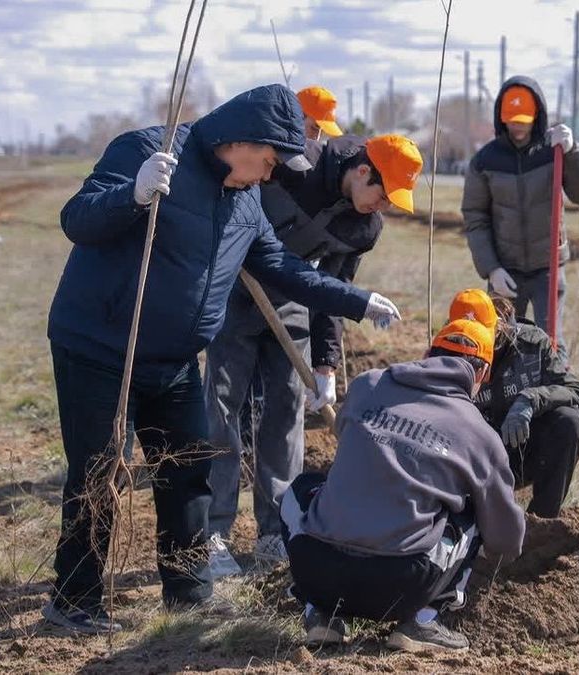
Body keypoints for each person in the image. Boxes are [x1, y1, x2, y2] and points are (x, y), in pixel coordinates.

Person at [43, 84, 401, 634]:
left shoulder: (245, 198)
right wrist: (133, 196)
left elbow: (284, 267)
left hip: (174, 358)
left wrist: (356, 300)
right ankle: (75, 602)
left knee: (189, 472)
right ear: (242, 140)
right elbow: (77, 220)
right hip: (103, 346)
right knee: (100, 474)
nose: (268, 174)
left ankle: (188, 593)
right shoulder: (147, 151)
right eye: (266, 161)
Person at [205, 133, 423, 577]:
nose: (380, 207)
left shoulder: (364, 229)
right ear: (362, 171)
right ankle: (212, 534)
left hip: (291, 307)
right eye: (381, 195)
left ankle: (274, 531)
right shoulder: (294, 164)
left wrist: (326, 363)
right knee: (222, 409)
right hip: (236, 290)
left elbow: (331, 292)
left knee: (286, 415)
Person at [280, 318, 525, 653]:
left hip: (317, 570)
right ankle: (423, 622)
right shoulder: (479, 435)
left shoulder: (367, 385)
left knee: (301, 488)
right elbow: (505, 539)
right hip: (398, 586)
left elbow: (346, 440)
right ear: (481, 374)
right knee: (474, 512)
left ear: (427, 353)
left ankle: (320, 614)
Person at [461, 76, 579, 346]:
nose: (518, 127)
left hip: (547, 267)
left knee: (551, 345)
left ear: (537, 115)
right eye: (513, 120)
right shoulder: (485, 161)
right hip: (505, 269)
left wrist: (573, 152)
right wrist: (492, 269)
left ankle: (555, 388)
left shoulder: (553, 151)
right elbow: (475, 218)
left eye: (524, 120)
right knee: (501, 344)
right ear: (502, 118)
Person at [448, 290, 579, 517]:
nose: (470, 342)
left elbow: (576, 391)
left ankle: (541, 522)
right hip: (476, 456)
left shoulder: (531, 344)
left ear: (498, 327)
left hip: (524, 449)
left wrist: (529, 400)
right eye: (464, 334)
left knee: (568, 422)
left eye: (479, 334)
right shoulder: (450, 346)